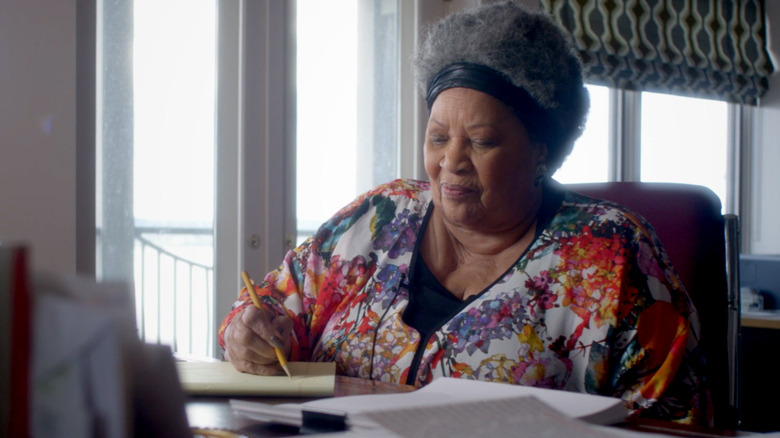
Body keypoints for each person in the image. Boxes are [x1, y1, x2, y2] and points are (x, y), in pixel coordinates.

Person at [219, 0, 710, 424]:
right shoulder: (380, 215)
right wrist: (249, 332)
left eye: (481, 141)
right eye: (437, 137)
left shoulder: (613, 254)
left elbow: (680, 423)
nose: (450, 162)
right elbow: (267, 305)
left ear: (542, 150)